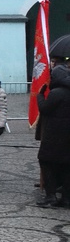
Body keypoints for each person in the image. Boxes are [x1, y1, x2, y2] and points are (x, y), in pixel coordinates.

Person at [36, 65, 70, 207]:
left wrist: (40, 96)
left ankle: (50, 196)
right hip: (67, 137)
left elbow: (45, 108)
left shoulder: (56, 93)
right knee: (66, 166)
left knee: (46, 161)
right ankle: (67, 198)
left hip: (54, 135)